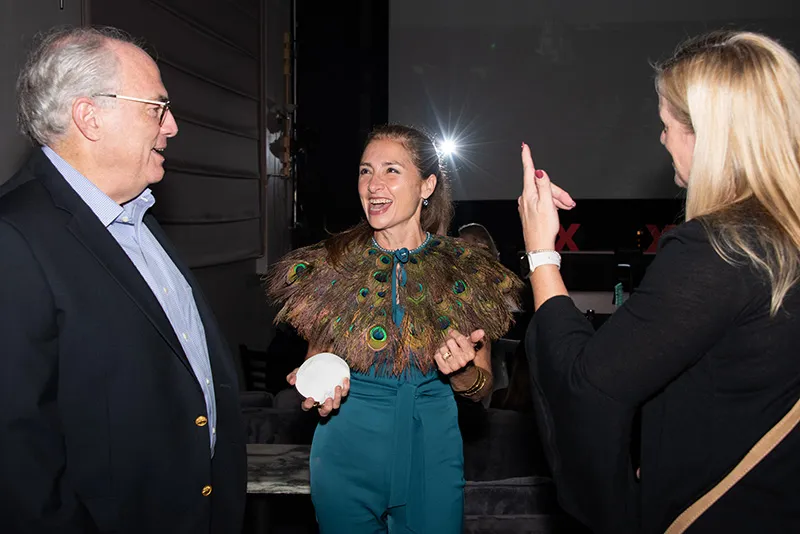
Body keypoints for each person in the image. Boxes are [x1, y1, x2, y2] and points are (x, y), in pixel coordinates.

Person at [518, 31, 800, 533]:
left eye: (668, 124)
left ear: (709, 134)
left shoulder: (719, 249)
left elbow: (587, 384)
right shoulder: (781, 238)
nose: (663, 138)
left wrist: (542, 253)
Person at [0, 27, 246, 533]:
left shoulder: (135, 217)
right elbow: (18, 460)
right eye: (157, 108)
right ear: (89, 117)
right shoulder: (14, 237)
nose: (172, 127)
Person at [268, 124, 542, 533]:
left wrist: (463, 371)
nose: (373, 185)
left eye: (391, 170)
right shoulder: (332, 265)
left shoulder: (465, 271)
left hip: (431, 453)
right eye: (365, 171)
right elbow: (318, 361)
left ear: (426, 185)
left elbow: (482, 385)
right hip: (345, 452)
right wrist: (318, 391)